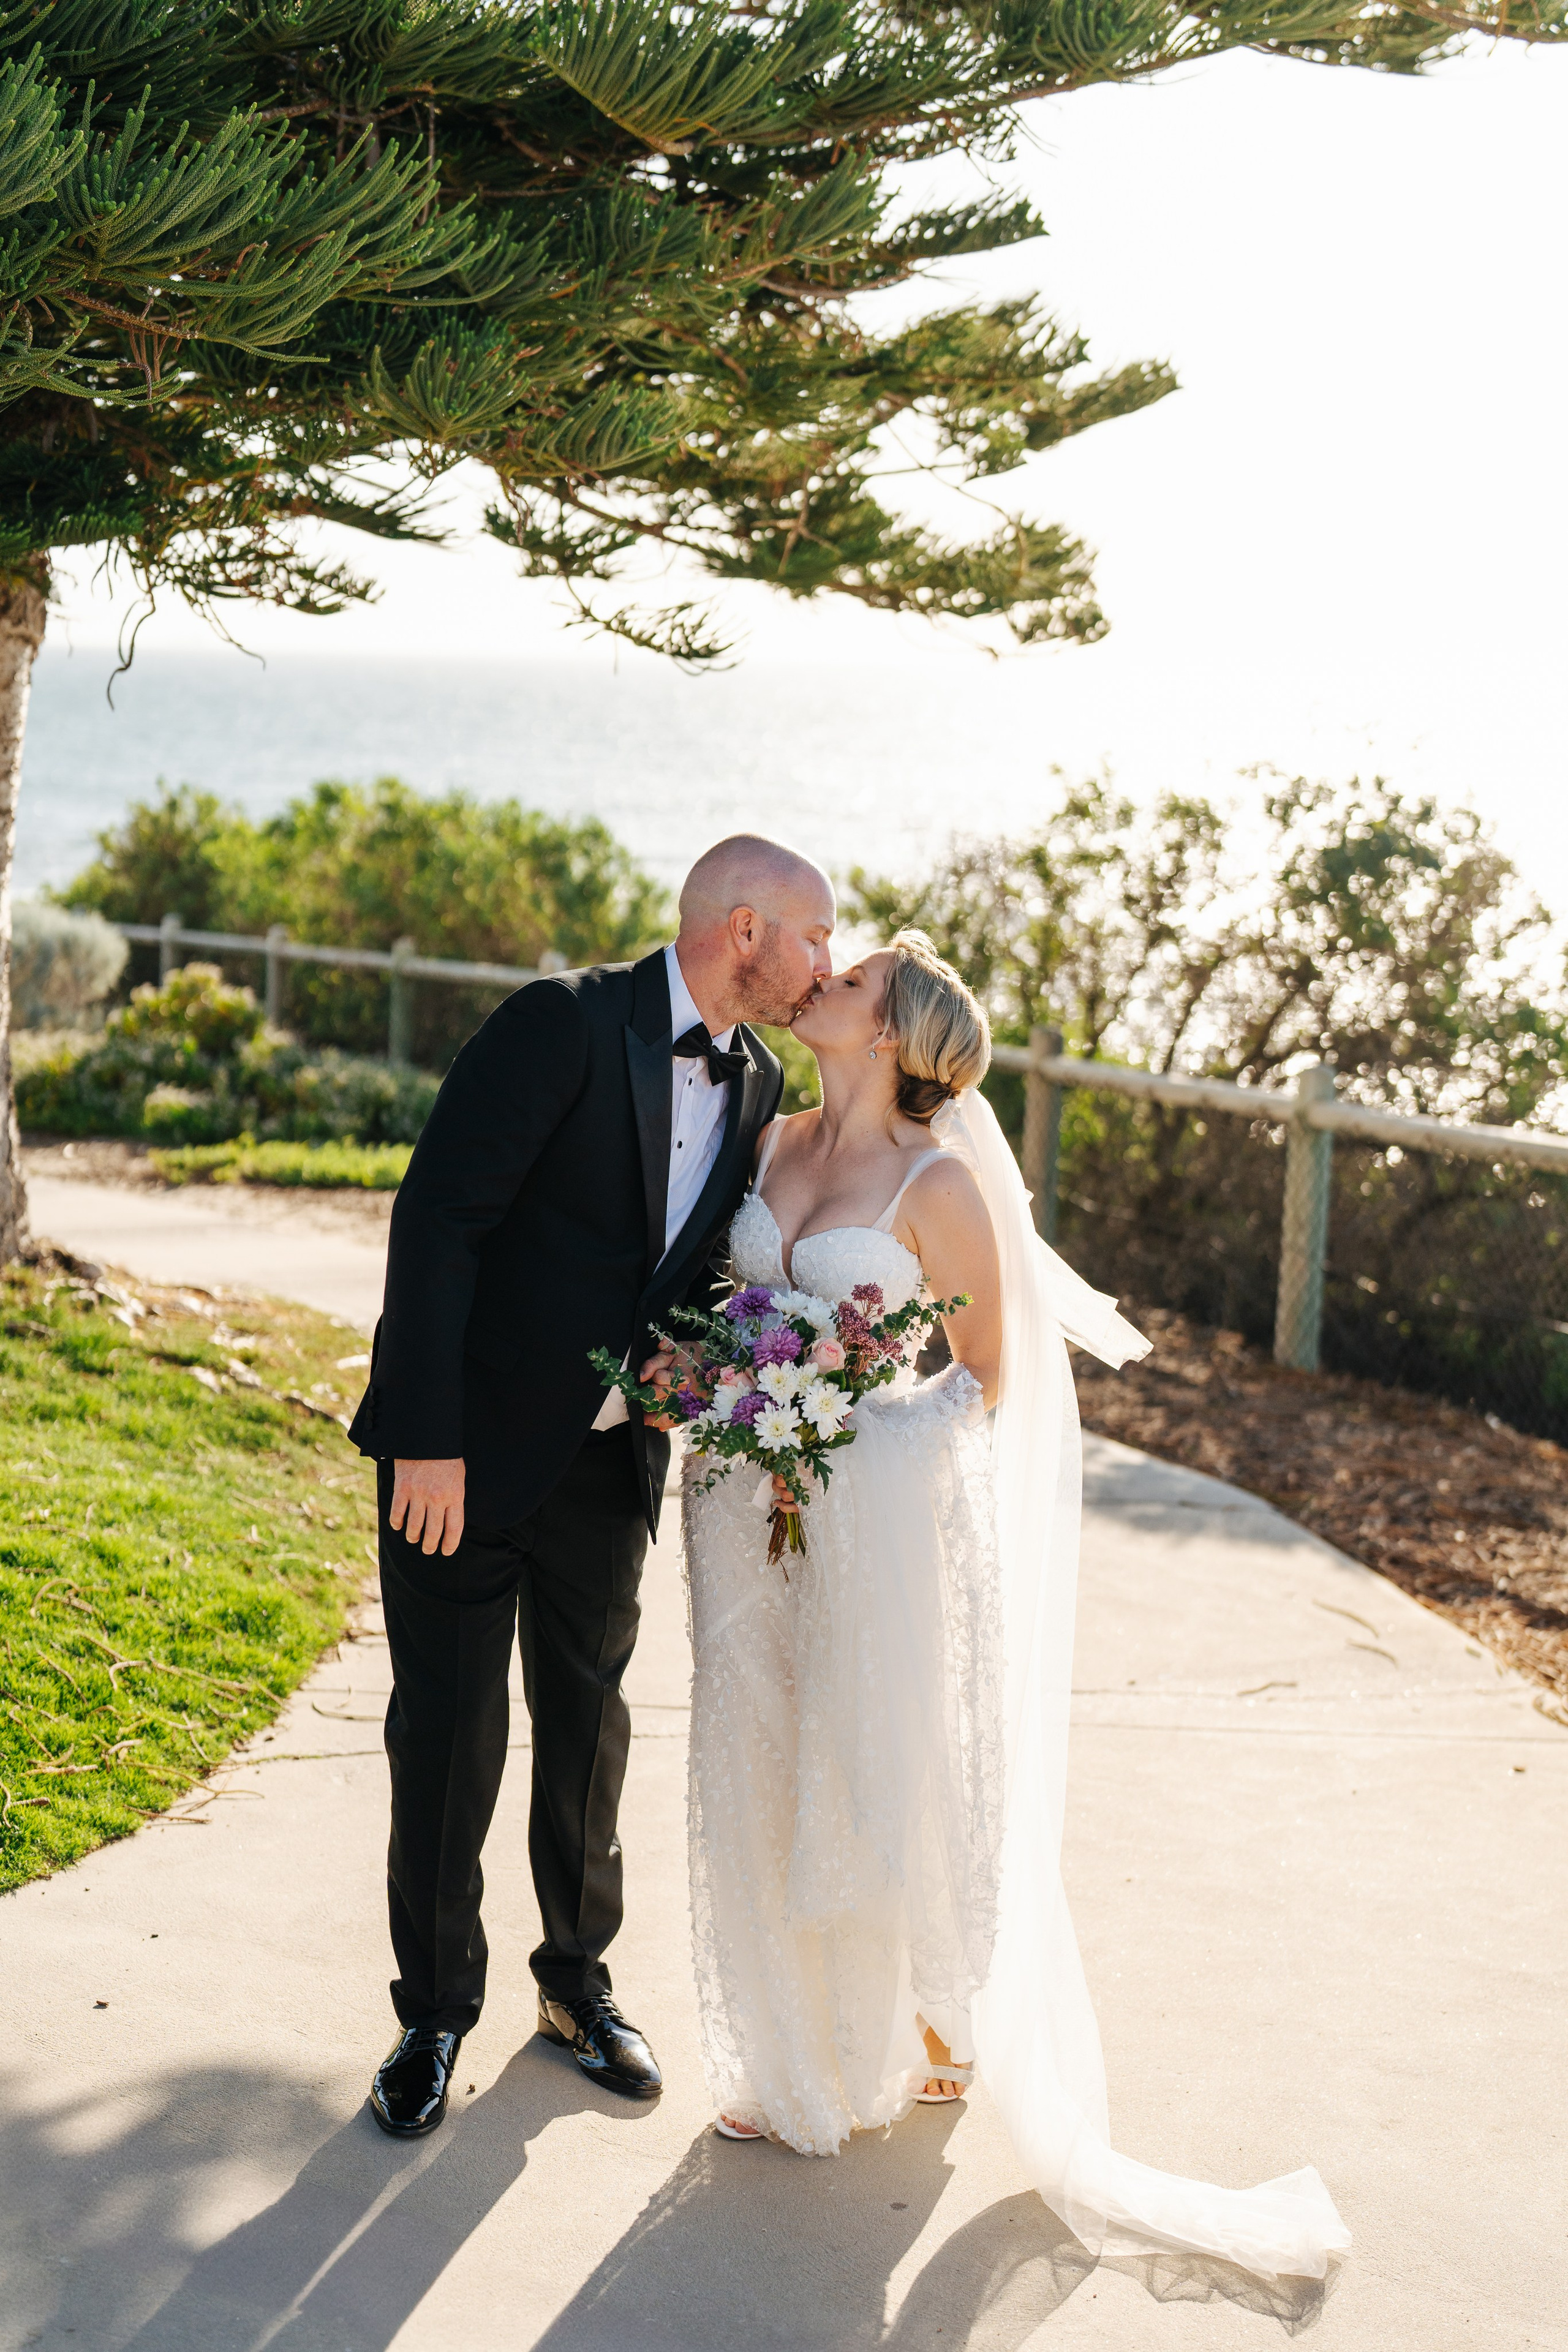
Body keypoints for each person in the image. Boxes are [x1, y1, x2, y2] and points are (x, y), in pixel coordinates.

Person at [679, 929, 1352, 2281]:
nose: (820, 984)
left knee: (860, 1769)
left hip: (862, 1507)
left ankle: (890, 2033)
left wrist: (849, 1433)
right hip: (734, 1504)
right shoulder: (764, 1145)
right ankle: (779, 2053)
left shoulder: (938, 1186)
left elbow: (983, 1373)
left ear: (894, 1032)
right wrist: (732, 1393)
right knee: (751, 1752)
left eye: (850, 982)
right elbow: (718, 1300)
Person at [349, 835, 832, 2136]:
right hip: (463, 1459)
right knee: (449, 1740)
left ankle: (576, 1988)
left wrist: (710, 1361)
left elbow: (690, 1270)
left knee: (586, 1735)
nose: (823, 964)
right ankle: (433, 2018)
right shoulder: (559, 1025)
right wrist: (426, 1440)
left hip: (611, 1460)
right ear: (744, 929)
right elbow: (437, 1220)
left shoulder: (763, 1078)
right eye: (814, 938)